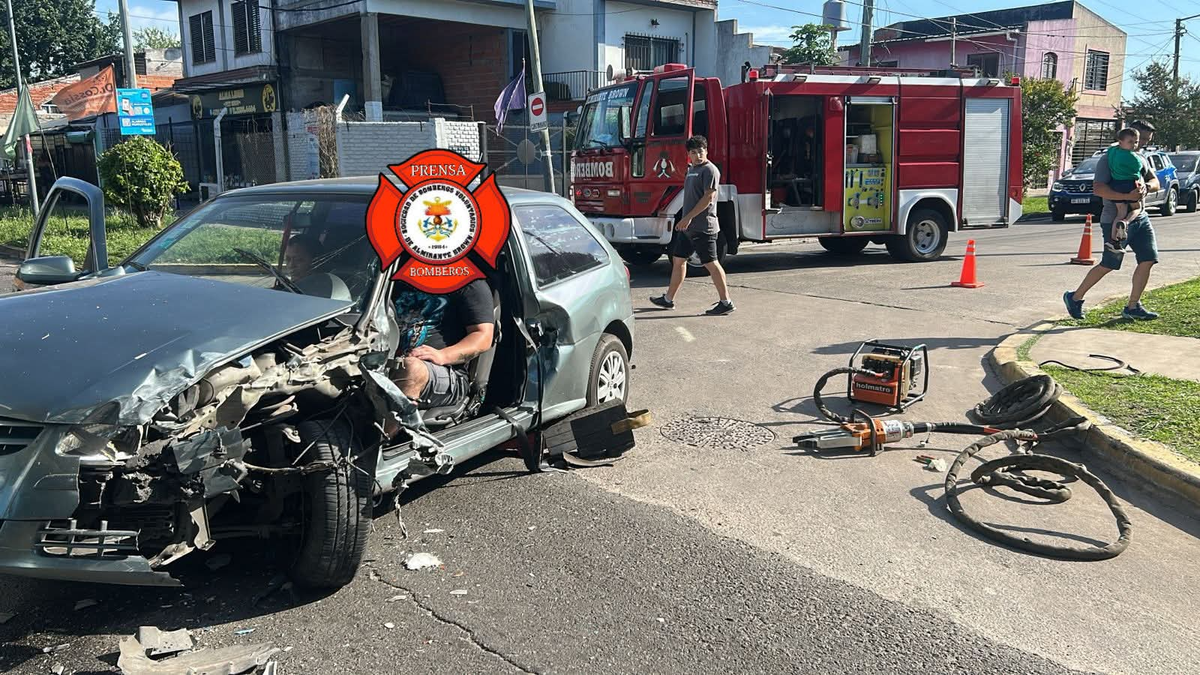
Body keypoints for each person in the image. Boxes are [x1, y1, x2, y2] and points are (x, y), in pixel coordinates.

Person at [1063, 119, 1161, 321]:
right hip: (1115, 220)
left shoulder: (1140, 158)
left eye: (1145, 140)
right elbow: (1099, 189)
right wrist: (1128, 197)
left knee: (1148, 259)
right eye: (1139, 138)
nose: (1141, 143)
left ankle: (1133, 306)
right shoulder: (1109, 159)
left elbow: (1155, 181)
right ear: (1128, 136)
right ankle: (1075, 297)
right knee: (1109, 264)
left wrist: (1146, 188)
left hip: (1140, 218)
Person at [649, 135, 735, 316]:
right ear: (688, 154)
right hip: (688, 228)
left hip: (703, 226)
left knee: (711, 263)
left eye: (700, 151)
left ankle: (726, 302)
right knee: (679, 260)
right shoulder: (692, 169)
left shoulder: (709, 170)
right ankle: (668, 299)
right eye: (693, 152)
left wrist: (687, 218)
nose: (698, 155)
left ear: (707, 151)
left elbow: (708, 198)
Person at [390, 278, 495, 411]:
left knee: (411, 368)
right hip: (386, 361)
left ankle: (387, 431)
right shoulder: (387, 277)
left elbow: (483, 336)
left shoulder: (469, 282)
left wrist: (443, 355)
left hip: (448, 374)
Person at [1106, 128, 1144, 240]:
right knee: (1137, 208)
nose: (1134, 145)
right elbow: (1139, 167)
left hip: (1116, 184)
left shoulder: (1113, 151)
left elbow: (1111, 147)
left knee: (1120, 212)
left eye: (1136, 142)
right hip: (1130, 184)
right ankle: (1126, 222)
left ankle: (1114, 239)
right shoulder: (1132, 157)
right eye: (1130, 142)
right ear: (1121, 141)